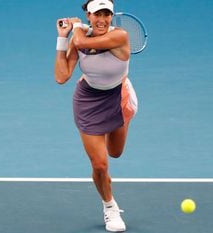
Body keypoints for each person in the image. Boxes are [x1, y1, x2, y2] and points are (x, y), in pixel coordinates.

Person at [54, 0, 138, 232]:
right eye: (96, 14)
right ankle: (109, 206)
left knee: (115, 152)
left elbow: (80, 40)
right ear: (88, 16)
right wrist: (62, 39)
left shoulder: (119, 36)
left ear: (112, 17)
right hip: (88, 101)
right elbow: (62, 77)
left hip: (118, 98)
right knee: (100, 164)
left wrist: (77, 29)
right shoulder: (77, 38)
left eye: (106, 14)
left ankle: (127, 111)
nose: (101, 19)